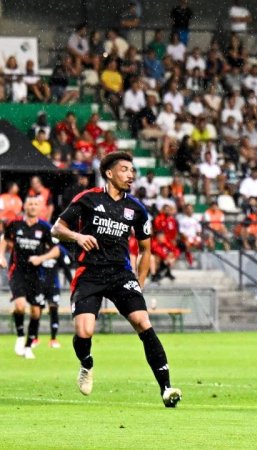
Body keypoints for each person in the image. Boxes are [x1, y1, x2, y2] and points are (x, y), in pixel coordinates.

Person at [52, 152, 182, 407]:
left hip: (120, 273)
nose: (130, 174)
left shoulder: (136, 208)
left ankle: (166, 389)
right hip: (89, 272)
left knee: (143, 322)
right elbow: (57, 228)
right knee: (84, 330)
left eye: (132, 170)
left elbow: (146, 249)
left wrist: (139, 284)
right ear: (109, 173)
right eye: (124, 169)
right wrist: (78, 237)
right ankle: (86, 363)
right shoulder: (88, 199)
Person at [0, 197, 60, 359]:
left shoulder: (44, 227)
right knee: (20, 306)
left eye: (36, 204)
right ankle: (20, 336)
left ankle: (28, 345)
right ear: (25, 206)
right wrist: (1, 256)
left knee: (35, 311)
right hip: (17, 271)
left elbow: (56, 250)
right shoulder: (15, 224)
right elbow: (4, 240)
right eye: (30, 204)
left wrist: (41, 259)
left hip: (37, 274)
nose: (33, 207)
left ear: (40, 208)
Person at [38, 240, 72, 349]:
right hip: (39, 285)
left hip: (54, 286)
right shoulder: (39, 250)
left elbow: (66, 269)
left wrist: (72, 283)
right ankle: (34, 337)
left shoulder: (57, 252)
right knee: (37, 310)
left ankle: (53, 339)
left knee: (53, 309)